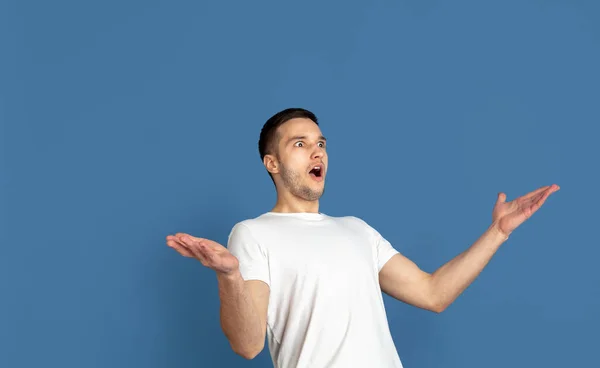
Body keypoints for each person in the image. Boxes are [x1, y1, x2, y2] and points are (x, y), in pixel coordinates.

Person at [166, 108, 559, 368]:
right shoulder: (253, 233)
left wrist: (497, 233)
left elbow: (433, 293)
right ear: (272, 164)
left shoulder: (356, 229)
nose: (315, 152)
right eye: (299, 144)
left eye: (320, 143)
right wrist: (230, 276)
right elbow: (247, 344)